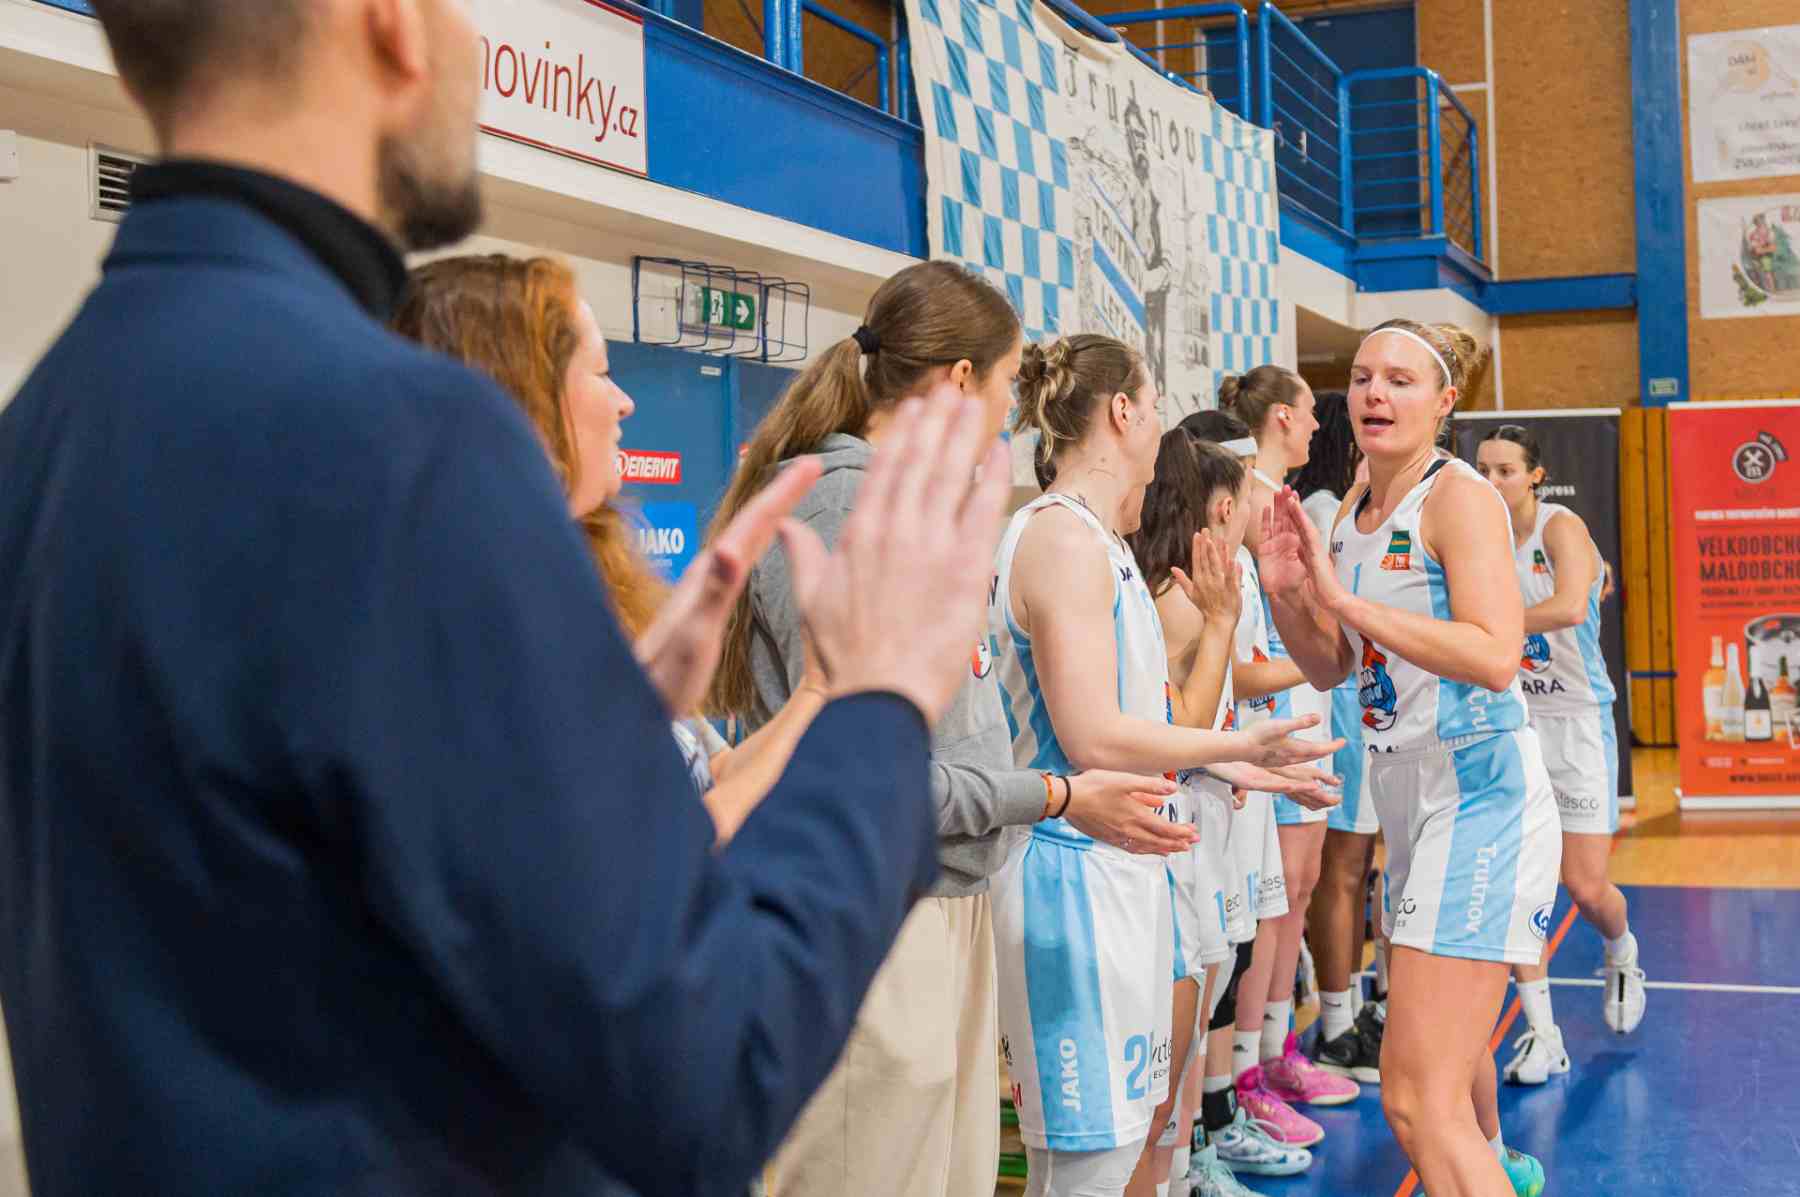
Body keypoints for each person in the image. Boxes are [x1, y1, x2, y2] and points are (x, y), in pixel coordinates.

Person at [0, 3, 1015, 1193]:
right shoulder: (409, 443)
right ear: (388, 23)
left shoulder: (45, 426)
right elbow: (702, 1075)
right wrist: (878, 705)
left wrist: (600, 732)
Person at [706, 262, 1186, 1197]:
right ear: (959, 380)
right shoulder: (844, 505)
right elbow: (861, 775)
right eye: (1006, 384)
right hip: (868, 918)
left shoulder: (903, 503)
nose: (1012, 413)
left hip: (941, 903)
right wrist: (1055, 794)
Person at [988, 333, 1338, 1197]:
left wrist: (1237, 768)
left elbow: (1149, 721)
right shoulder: (1060, 537)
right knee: (1088, 1166)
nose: (1161, 429)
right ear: (1122, 412)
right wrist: (1235, 745)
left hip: (1126, 865)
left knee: (1141, 1141)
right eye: (1152, 406)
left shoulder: (1102, 539)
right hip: (1069, 877)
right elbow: (1094, 737)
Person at [1258, 319, 1557, 1197]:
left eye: (1399, 379)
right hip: (1410, 796)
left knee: (1417, 1101)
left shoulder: (1458, 498)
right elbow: (1334, 665)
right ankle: (1497, 1165)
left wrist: (1347, 602)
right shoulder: (1350, 510)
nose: (1375, 393)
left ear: (1444, 401)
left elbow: (1495, 654)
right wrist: (1288, 597)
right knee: (1439, 1092)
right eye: (1361, 378)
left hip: (1480, 791)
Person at [391, 254, 834, 845]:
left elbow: (716, 771)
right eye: (601, 373)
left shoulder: (579, 588)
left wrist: (821, 688)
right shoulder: (478, 625)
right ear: (527, 404)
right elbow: (667, 851)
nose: (625, 401)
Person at [1129, 432, 1316, 1197]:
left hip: (1202, 810)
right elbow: (1183, 731)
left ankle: (1189, 1158)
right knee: (1178, 1027)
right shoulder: (1174, 598)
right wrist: (1241, 757)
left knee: (1204, 992)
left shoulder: (1184, 590)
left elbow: (1197, 726)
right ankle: (1184, 1161)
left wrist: (1252, 764)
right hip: (1174, 826)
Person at [1475, 424, 1646, 1084]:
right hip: (1514, 722)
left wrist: (1488, 627)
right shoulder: (1476, 538)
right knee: (1523, 884)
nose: (1492, 481)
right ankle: (1544, 1033)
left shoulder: (1560, 527)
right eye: (1483, 470)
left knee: (1585, 885)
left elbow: (1573, 605)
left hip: (1577, 721)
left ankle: (1621, 950)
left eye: (1506, 470)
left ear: (1535, 476)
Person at [1217, 370, 1358, 1120]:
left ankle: (1275, 1051)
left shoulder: (1286, 501)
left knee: (1293, 893)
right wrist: (1332, 657)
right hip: (1269, 723)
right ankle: (1247, 1069)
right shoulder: (1248, 501)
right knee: (1270, 904)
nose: (1318, 426)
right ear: (1279, 416)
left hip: (1303, 711)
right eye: (1308, 412)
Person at [1293, 393, 1388, 1085]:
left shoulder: (1342, 508)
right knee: (1342, 869)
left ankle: (1349, 1007)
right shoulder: (1327, 509)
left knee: (1357, 869)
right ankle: (1335, 1022)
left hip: (1363, 713)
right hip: (1343, 712)